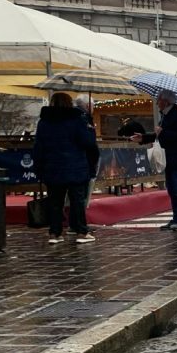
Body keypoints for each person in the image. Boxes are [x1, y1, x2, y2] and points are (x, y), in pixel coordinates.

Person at [32, 92, 99, 244]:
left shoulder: (44, 122)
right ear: (69, 103)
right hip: (75, 167)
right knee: (77, 201)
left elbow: (38, 147)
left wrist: (39, 167)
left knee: (55, 202)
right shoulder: (77, 119)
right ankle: (81, 231)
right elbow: (88, 142)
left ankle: (55, 233)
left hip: (52, 167)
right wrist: (89, 128)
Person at [130, 89, 177, 230]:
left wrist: (163, 132)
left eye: (158, 100)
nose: (157, 103)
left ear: (165, 101)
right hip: (169, 159)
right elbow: (159, 136)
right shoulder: (166, 115)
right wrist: (144, 138)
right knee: (172, 189)